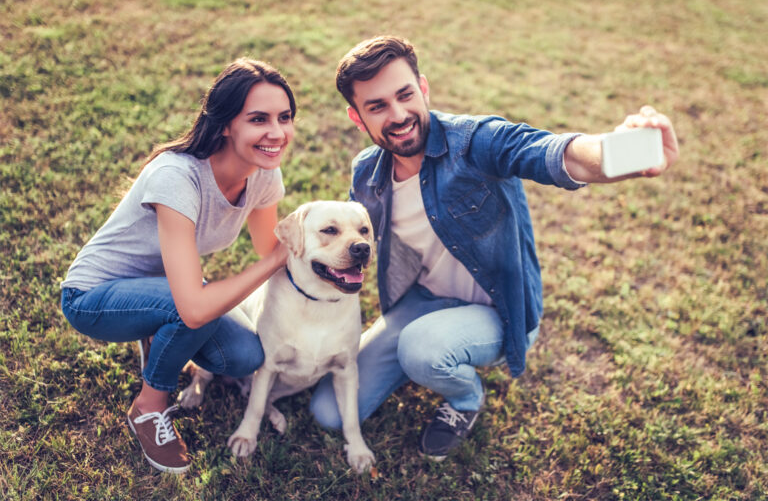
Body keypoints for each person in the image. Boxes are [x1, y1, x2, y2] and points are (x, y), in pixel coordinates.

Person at [310, 35, 679, 461]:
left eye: (405, 95)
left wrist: (628, 151)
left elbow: (555, 154)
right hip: (424, 302)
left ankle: (465, 398)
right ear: (357, 118)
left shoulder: (475, 141)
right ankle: (429, 354)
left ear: (423, 88)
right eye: (377, 107)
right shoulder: (366, 174)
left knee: (422, 350)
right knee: (329, 412)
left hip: (499, 309)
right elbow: (342, 240)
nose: (398, 115)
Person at [60, 58, 296, 473]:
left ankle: (159, 330)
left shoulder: (262, 174)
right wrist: (279, 257)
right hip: (94, 296)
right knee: (195, 307)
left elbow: (266, 246)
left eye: (284, 117)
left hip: (167, 287)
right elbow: (266, 263)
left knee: (243, 355)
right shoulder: (177, 176)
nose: (276, 133)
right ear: (225, 124)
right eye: (259, 119)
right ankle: (149, 406)